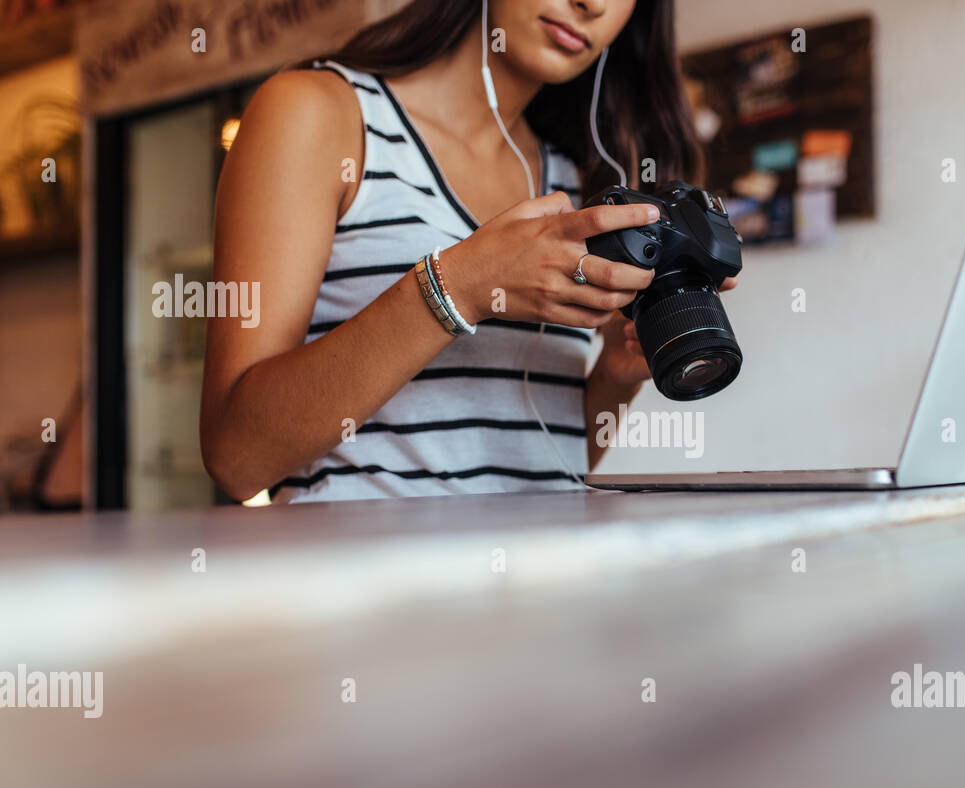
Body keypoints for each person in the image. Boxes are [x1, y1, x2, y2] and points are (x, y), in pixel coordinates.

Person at [201, 0, 733, 503]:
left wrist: (615, 377)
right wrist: (460, 287)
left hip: (538, 582)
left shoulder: (571, 183)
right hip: (359, 587)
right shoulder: (318, 114)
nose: (590, 3)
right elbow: (237, 458)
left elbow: (542, 466)